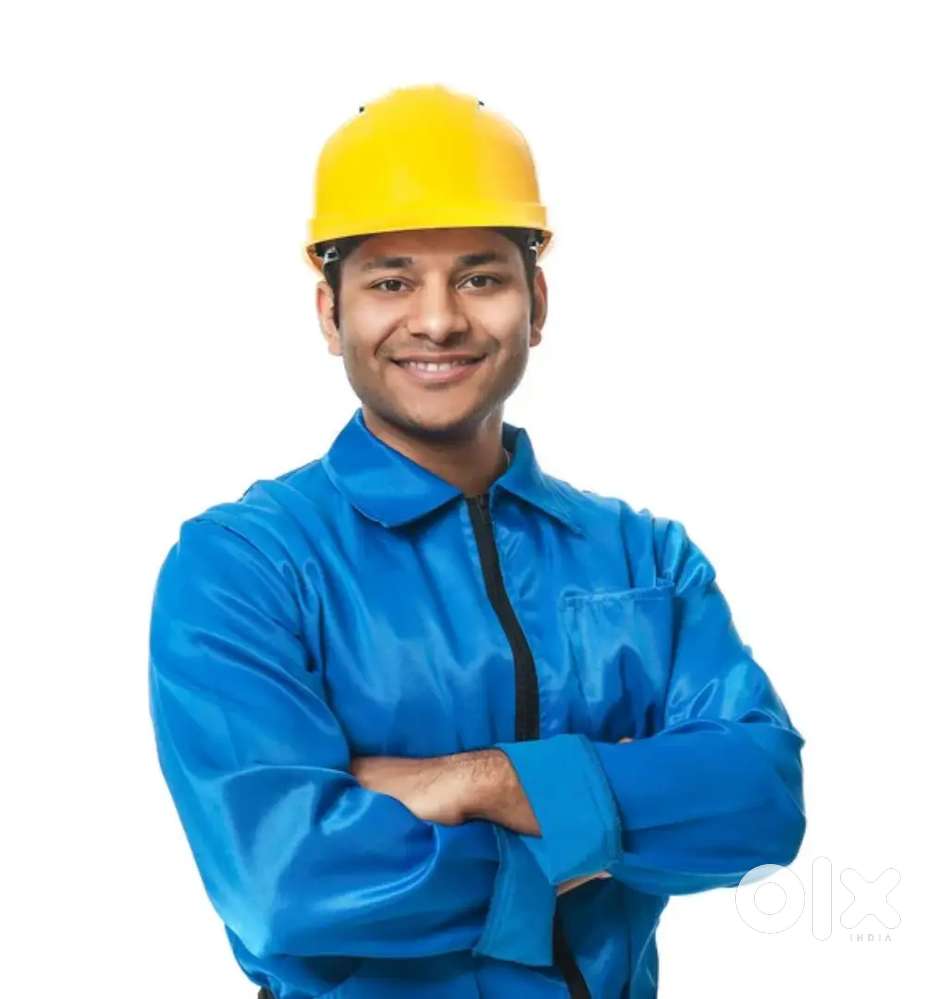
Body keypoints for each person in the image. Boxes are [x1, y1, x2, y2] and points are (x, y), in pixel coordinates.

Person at [148, 83, 807, 999]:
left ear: (536, 301)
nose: (438, 319)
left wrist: (481, 781)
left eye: (479, 277)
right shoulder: (242, 568)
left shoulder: (645, 558)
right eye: (391, 281)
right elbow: (287, 885)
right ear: (330, 312)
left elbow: (760, 803)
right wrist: (604, 825)